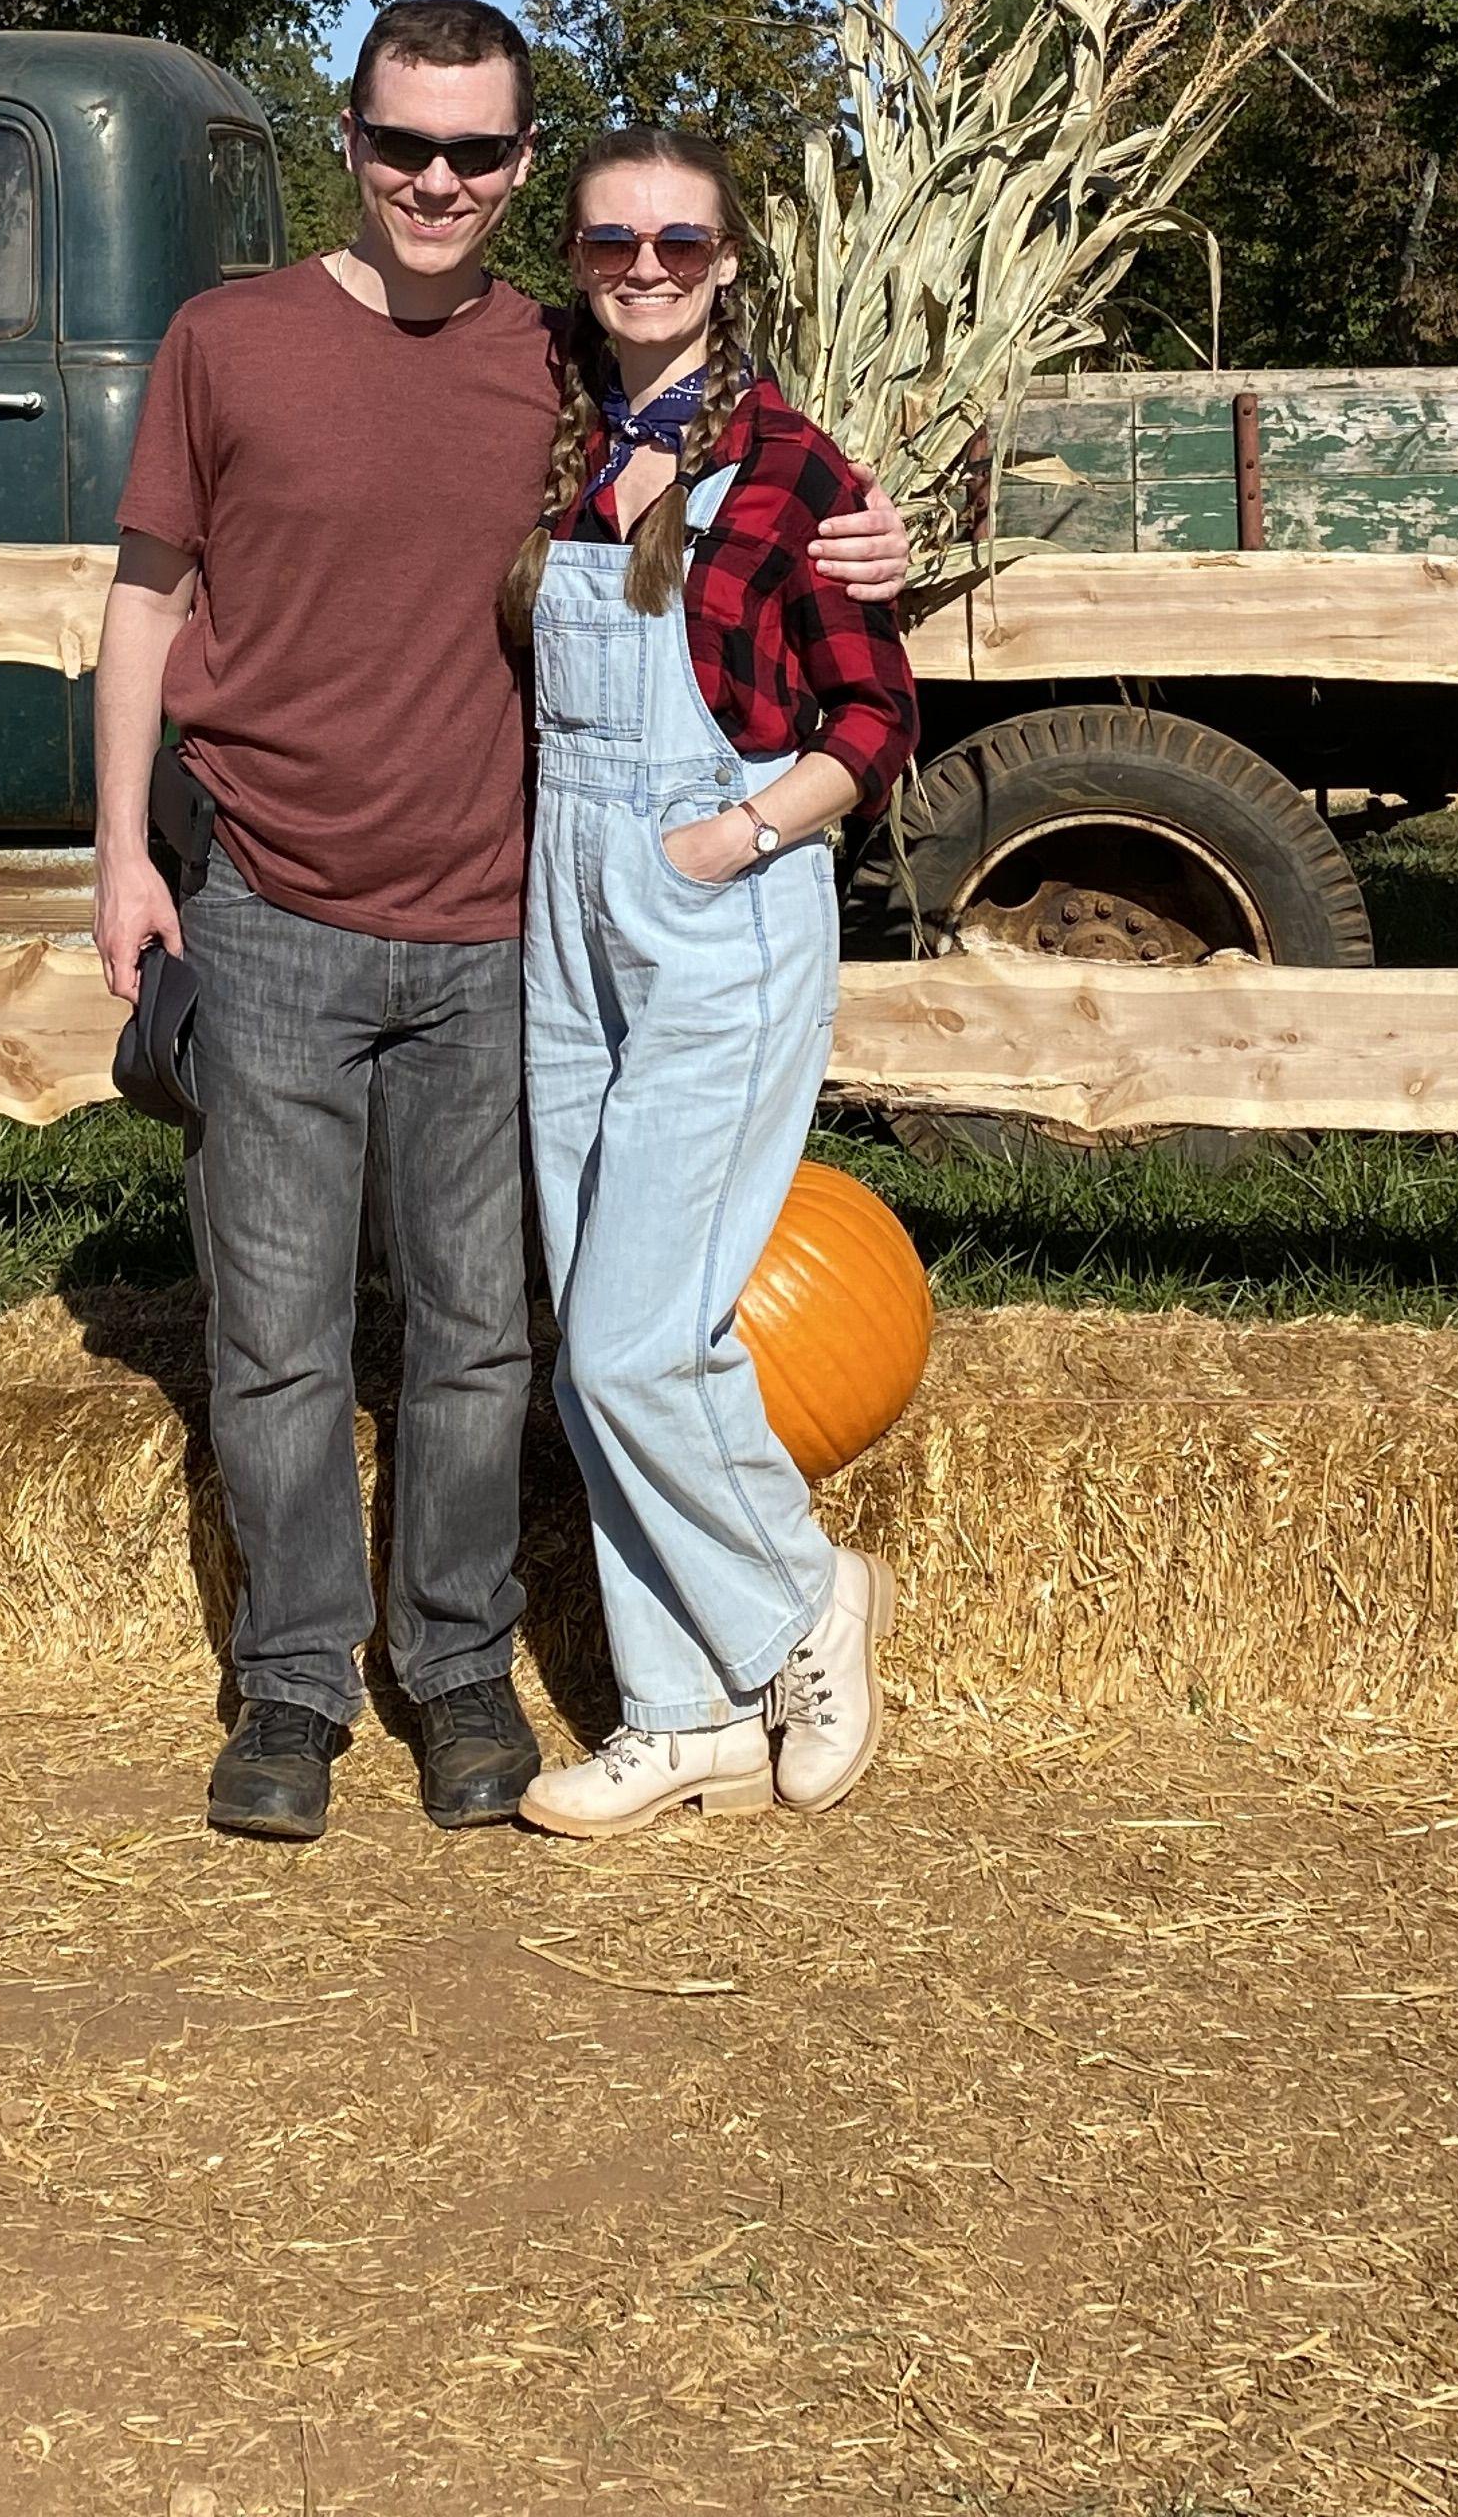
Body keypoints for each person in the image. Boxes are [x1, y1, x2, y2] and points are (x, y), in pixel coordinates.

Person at [90, 0, 910, 1845]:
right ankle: (293, 1687)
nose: (437, 180)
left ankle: (459, 1669)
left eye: (475, 151)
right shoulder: (232, 341)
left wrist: (881, 532)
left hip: (493, 925)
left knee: (481, 1334)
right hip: (274, 906)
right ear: (354, 143)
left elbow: (760, 459)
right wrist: (123, 856)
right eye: (402, 145)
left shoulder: (559, 357)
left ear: (521, 165)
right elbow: (142, 601)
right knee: (278, 1328)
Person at [502, 128, 916, 1835]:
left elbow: (876, 726)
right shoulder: (554, 435)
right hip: (558, 906)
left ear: (732, 261)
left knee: (627, 1341)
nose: (648, 269)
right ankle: (682, 1715)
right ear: (579, 256)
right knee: (599, 1324)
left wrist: (733, 841)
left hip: (713, 906)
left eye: (682, 243)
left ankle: (802, 1601)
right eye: (614, 242)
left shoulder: (795, 470)